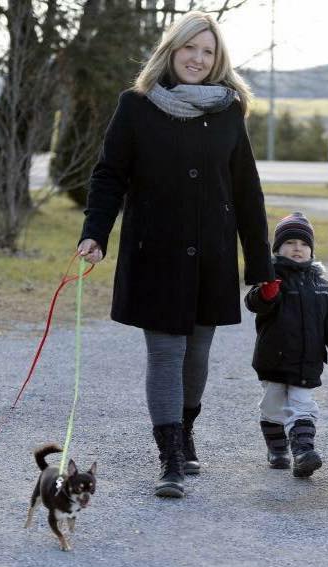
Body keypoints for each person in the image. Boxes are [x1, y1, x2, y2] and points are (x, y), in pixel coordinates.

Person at [77, 11, 274, 498]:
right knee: (166, 353)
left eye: (208, 52)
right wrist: (94, 233)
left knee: (197, 355)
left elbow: (247, 192)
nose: (198, 59)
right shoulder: (137, 106)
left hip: (211, 254)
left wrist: (260, 265)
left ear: (217, 60)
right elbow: (109, 176)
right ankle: (169, 456)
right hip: (155, 252)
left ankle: (185, 433)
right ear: (172, 49)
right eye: (191, 48)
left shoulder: (229, 112)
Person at [244, 211, 328, 478]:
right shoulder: (270, 278)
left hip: (308, 360)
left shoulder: (322, 285)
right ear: (278, 249)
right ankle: (277, 448)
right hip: (274, 357)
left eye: (303, 244)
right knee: (273, 406)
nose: (297, 248)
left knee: (303, 406)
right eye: (290, 243)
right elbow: (254, 303)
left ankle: (303, 453)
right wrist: (266, 294)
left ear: (311, 251)